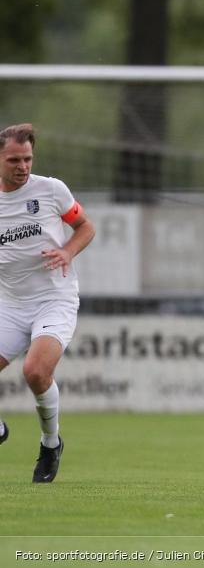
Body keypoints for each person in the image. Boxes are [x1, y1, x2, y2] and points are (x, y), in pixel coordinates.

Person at [0, 123, 95, 481]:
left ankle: (51, 444)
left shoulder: (51, 190)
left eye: (27, 159)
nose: (22, 166)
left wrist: (67, 251)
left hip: (53, 299)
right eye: (13, 160)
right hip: (8, 303)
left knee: (36, 372)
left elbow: (85, 227)